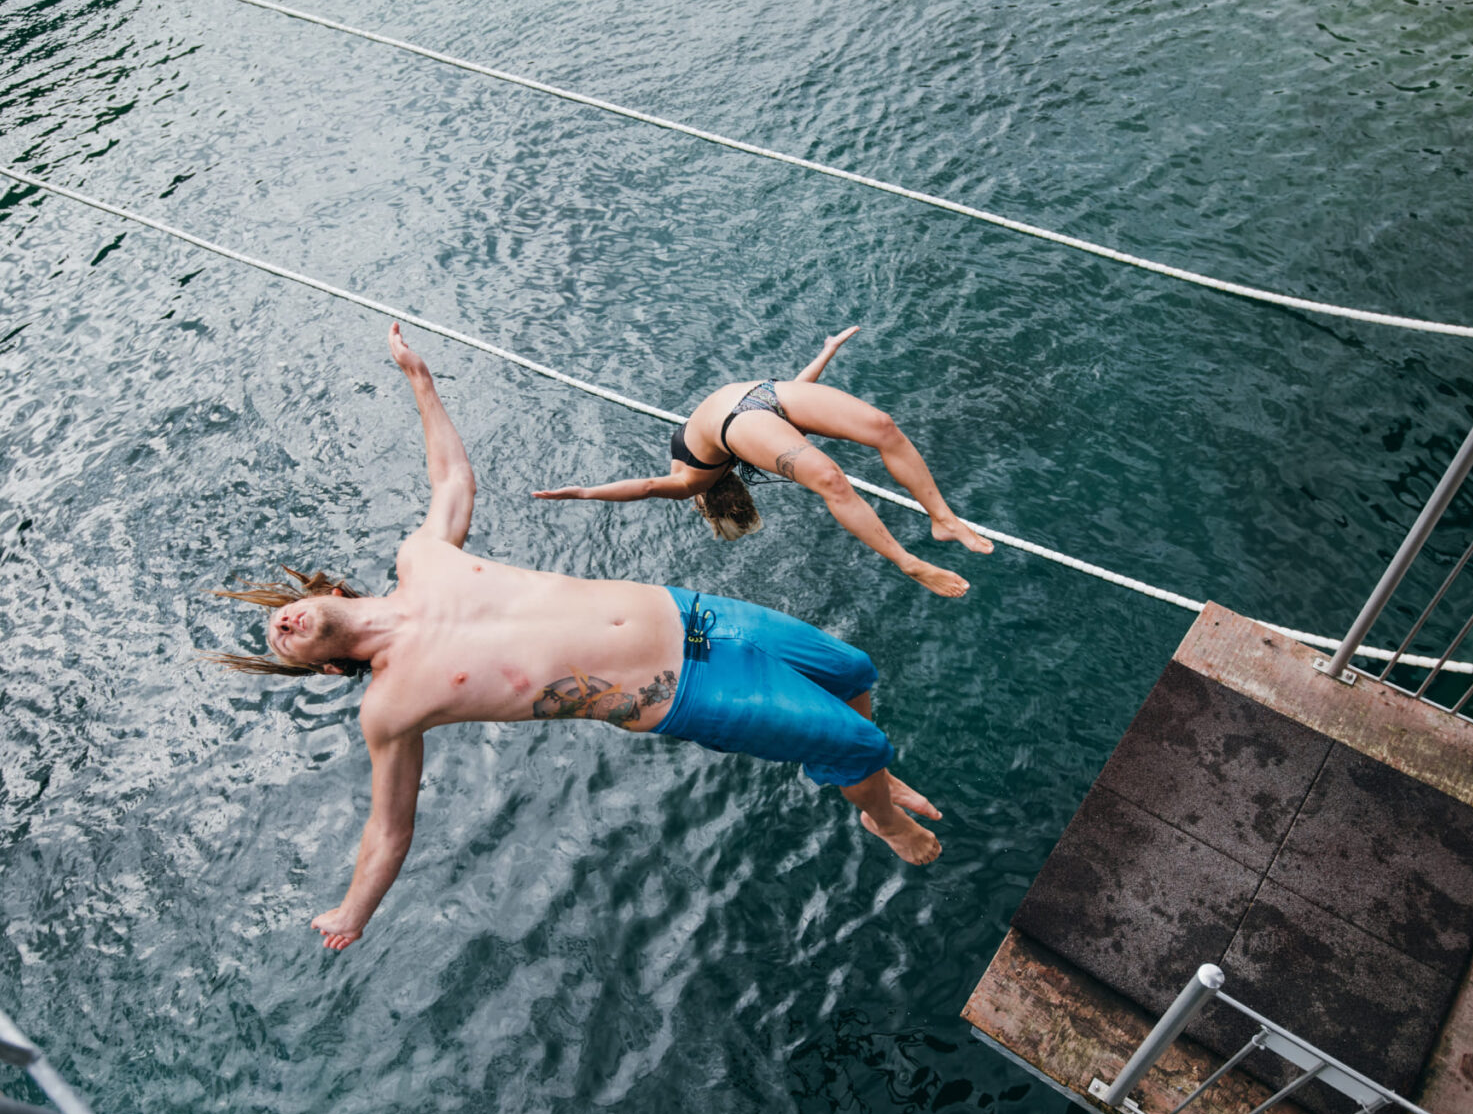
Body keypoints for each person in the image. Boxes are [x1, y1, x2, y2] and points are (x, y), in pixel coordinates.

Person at [210, 324, 944, 952]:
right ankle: (878, 813)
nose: (280, 627)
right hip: (685, 692)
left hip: (694, 612)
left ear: (329, 592)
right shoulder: (391, 707)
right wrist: (352, 911)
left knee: (853, 671)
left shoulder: (423, 557)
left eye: (283, 615)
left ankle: (863, 782)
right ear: (332, 667)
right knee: (858, 745)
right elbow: (388, 828)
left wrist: (420, 378)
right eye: (282, 646)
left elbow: (451, 477)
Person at [533, 326, 992, 597]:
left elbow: (649, 487)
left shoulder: (710, 472)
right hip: (744, 409)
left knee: (882, 427)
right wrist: (584, 492)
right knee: (832, 478)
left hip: (760, 396)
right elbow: (649, 487)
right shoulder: (693, 477)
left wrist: (826, 350)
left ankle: (942, 517)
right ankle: (906, 561)